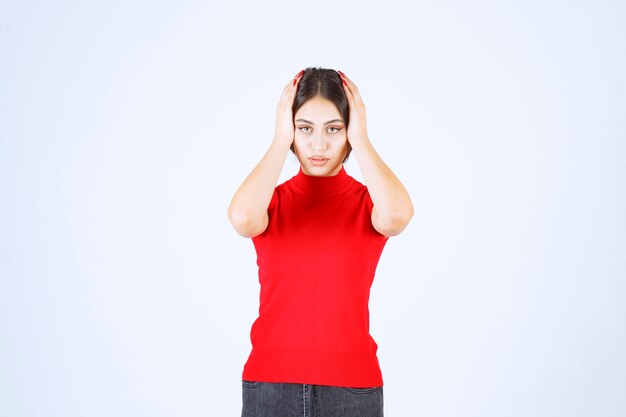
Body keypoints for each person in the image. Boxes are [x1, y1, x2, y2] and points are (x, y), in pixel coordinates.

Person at [227, 67, 413, 417]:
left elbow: (398, 216)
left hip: (352, 390)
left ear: (349, 131)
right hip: (270, 386)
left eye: (334, 129)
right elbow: (242, 220)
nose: (318, 144)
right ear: (291, 129)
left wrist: (362, 140)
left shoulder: (367, 203)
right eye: (305, 128)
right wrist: (279, 141)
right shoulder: (271, 202)